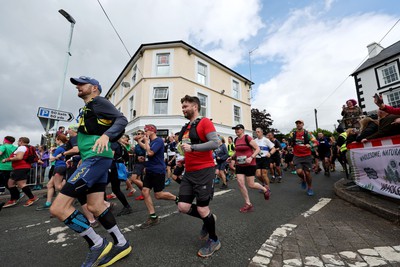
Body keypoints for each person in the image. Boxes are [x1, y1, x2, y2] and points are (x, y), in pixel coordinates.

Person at [49, 76, 131, 267]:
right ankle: (121, 243)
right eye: (76, 84)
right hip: (93, 159)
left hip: (97, 158)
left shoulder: (98, 101)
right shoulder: (87, 108)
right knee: (95, 206)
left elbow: (121, 119)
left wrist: (106, 136)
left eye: (81, 84)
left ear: (94, 88)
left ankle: (97, 243)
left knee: (58, 208)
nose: (77, 86)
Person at [177, 95, 221, 258]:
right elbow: (185, 148)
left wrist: (193, 148)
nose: (183, 109)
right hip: (189, 171)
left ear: (195, 107)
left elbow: (215, 143)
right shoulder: (187, 127)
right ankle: (209, 218)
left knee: (202, 208)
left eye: (186, 106)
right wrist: (181, 160)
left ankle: (214, 240)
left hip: (204, 171)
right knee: (183, 207)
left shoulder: (204, 122)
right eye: (182, 107)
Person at [138, 124, 178, 229]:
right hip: (150, 171)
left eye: (146, 130)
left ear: (152, 131)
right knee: (145, 191)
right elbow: (147, 150)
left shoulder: (158, 141)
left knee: (158, 195)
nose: (145, 132)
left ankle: (176, 199)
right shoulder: (151, 142)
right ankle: (153, 217)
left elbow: (150, 152)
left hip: (158, 171)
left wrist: (145, 141)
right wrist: (139, 142)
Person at [230, 124, 270, 212]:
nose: (236, 131)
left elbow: (257, 149)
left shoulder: (247, 138)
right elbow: (237, 152)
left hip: (250, 164)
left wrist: (251, 157)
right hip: (240, 164)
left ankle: (264, 189)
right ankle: (248, 204)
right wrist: (232, 157)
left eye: (238, 129)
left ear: (243, 130)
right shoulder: (236, 139)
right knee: (240, 183)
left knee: (251, 185)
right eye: (235, 129)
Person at [2, 137, 39, 207]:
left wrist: (7, 159)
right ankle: (14, 198)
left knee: (21, 184)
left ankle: (31, 198)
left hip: (20, 168)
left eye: (18, 141)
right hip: (23, 167)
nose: (17, 143)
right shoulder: (29, 147)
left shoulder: (22, 147)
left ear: (21, 141)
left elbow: (19, 157)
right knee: (10, 183)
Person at [36, 134, 67, 210]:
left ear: (59, 140)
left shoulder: (59, 148)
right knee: (49, 185)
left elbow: (51, 159)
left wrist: (50, 152)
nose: (55, 141)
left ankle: (66, 200)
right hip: (59, 167)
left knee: (58, 187)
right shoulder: (64, 147)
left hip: (60, 167)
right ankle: (48, 203)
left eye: (56, 139)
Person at [289, 120, 318, 196]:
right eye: (297, 123)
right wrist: (289, 146)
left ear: (303, 124)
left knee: (308, 173)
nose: (298, 125)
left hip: (307, 155)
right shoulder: (293, 134)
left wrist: (311, 145)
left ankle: (310, 187)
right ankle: (303, 179)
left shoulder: (308, 133)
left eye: (300, 123)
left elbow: (316, 142)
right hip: (297, 155)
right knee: (299, 172)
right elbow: (290, 142)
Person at [254, 128, 275, 194]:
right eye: (256, 132)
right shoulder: (254, 141)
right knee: (258, 175)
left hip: (265, 158)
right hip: (257, 159)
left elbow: (273, 149)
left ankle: (268, 188)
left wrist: (270, 153)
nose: (257, 133)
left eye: (258, 132)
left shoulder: (266, 140)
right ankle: (264, 184)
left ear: (262, 132)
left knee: (264, 174)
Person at [129, 130, 146, 201]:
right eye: (137, 134)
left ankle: (146, 190)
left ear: (142, 135)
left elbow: (147, 150)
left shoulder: (144, 141)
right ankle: (143, 194)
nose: (137, 135)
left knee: (133, 179)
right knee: (138, 179)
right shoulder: (138, 143)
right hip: (137, 162)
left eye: (139, 134)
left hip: (141, 163)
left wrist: (143, 157)